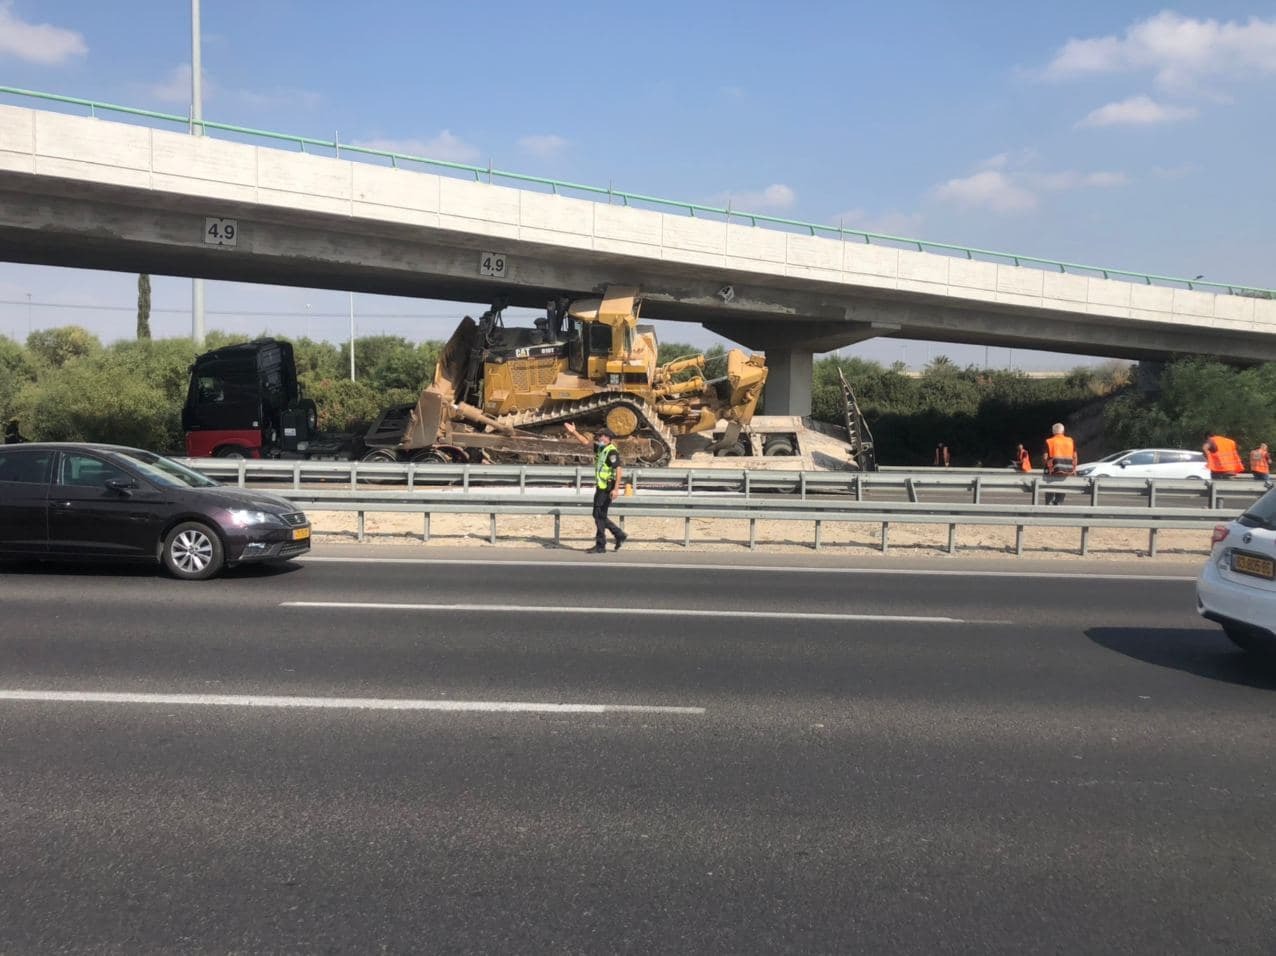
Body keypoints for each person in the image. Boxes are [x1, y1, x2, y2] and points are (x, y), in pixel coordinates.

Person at [564, 421, 628, 553]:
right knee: (599, 514)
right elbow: (585, 442)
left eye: (602, 436)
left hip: (608, 487)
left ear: (609, 438)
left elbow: (619, 470)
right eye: (599, 436)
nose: (600, 438)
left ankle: (602, 544)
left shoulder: (611, 452)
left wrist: (616, 489)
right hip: (601, 486)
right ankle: (618, 535)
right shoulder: (600, 448)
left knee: (598, 515)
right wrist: (574, 432)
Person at [1042, 423, 1076, 505]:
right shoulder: (1070, 441)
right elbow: (1074, 457)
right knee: (1061, 491)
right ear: (1063, 431)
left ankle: (1049, 509)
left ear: (1053, 432)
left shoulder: (1049, 441)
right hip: (1066, 472)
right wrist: (1074, 469)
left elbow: (1045, 457)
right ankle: (1058, 506)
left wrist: (1046, 465)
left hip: (1052, 472)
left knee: (1049, 493)